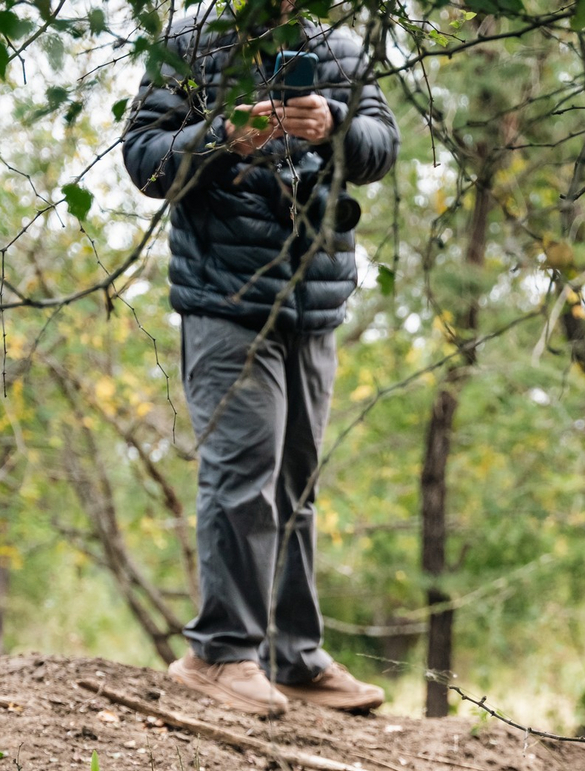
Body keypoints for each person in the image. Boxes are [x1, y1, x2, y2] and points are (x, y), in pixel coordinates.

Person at [123, 7, 398, 718]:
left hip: (315, 300)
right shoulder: (188, 44)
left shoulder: (339, 48)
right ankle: (220, 654)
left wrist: (334, 124)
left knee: (296, 484)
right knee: (243, 470)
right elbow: (144, 160)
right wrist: (222, 136)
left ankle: (294, 659)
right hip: (227, 297)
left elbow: (382, 145)